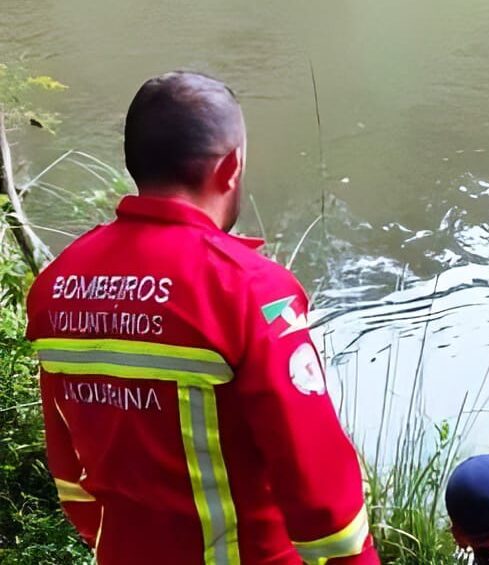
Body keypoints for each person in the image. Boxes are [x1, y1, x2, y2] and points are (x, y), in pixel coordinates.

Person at [26, 72, 378, 564]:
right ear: (230, 166)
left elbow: (71, 477)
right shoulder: (251, 292)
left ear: (135, 162)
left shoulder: (57, 288)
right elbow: (322, 498)